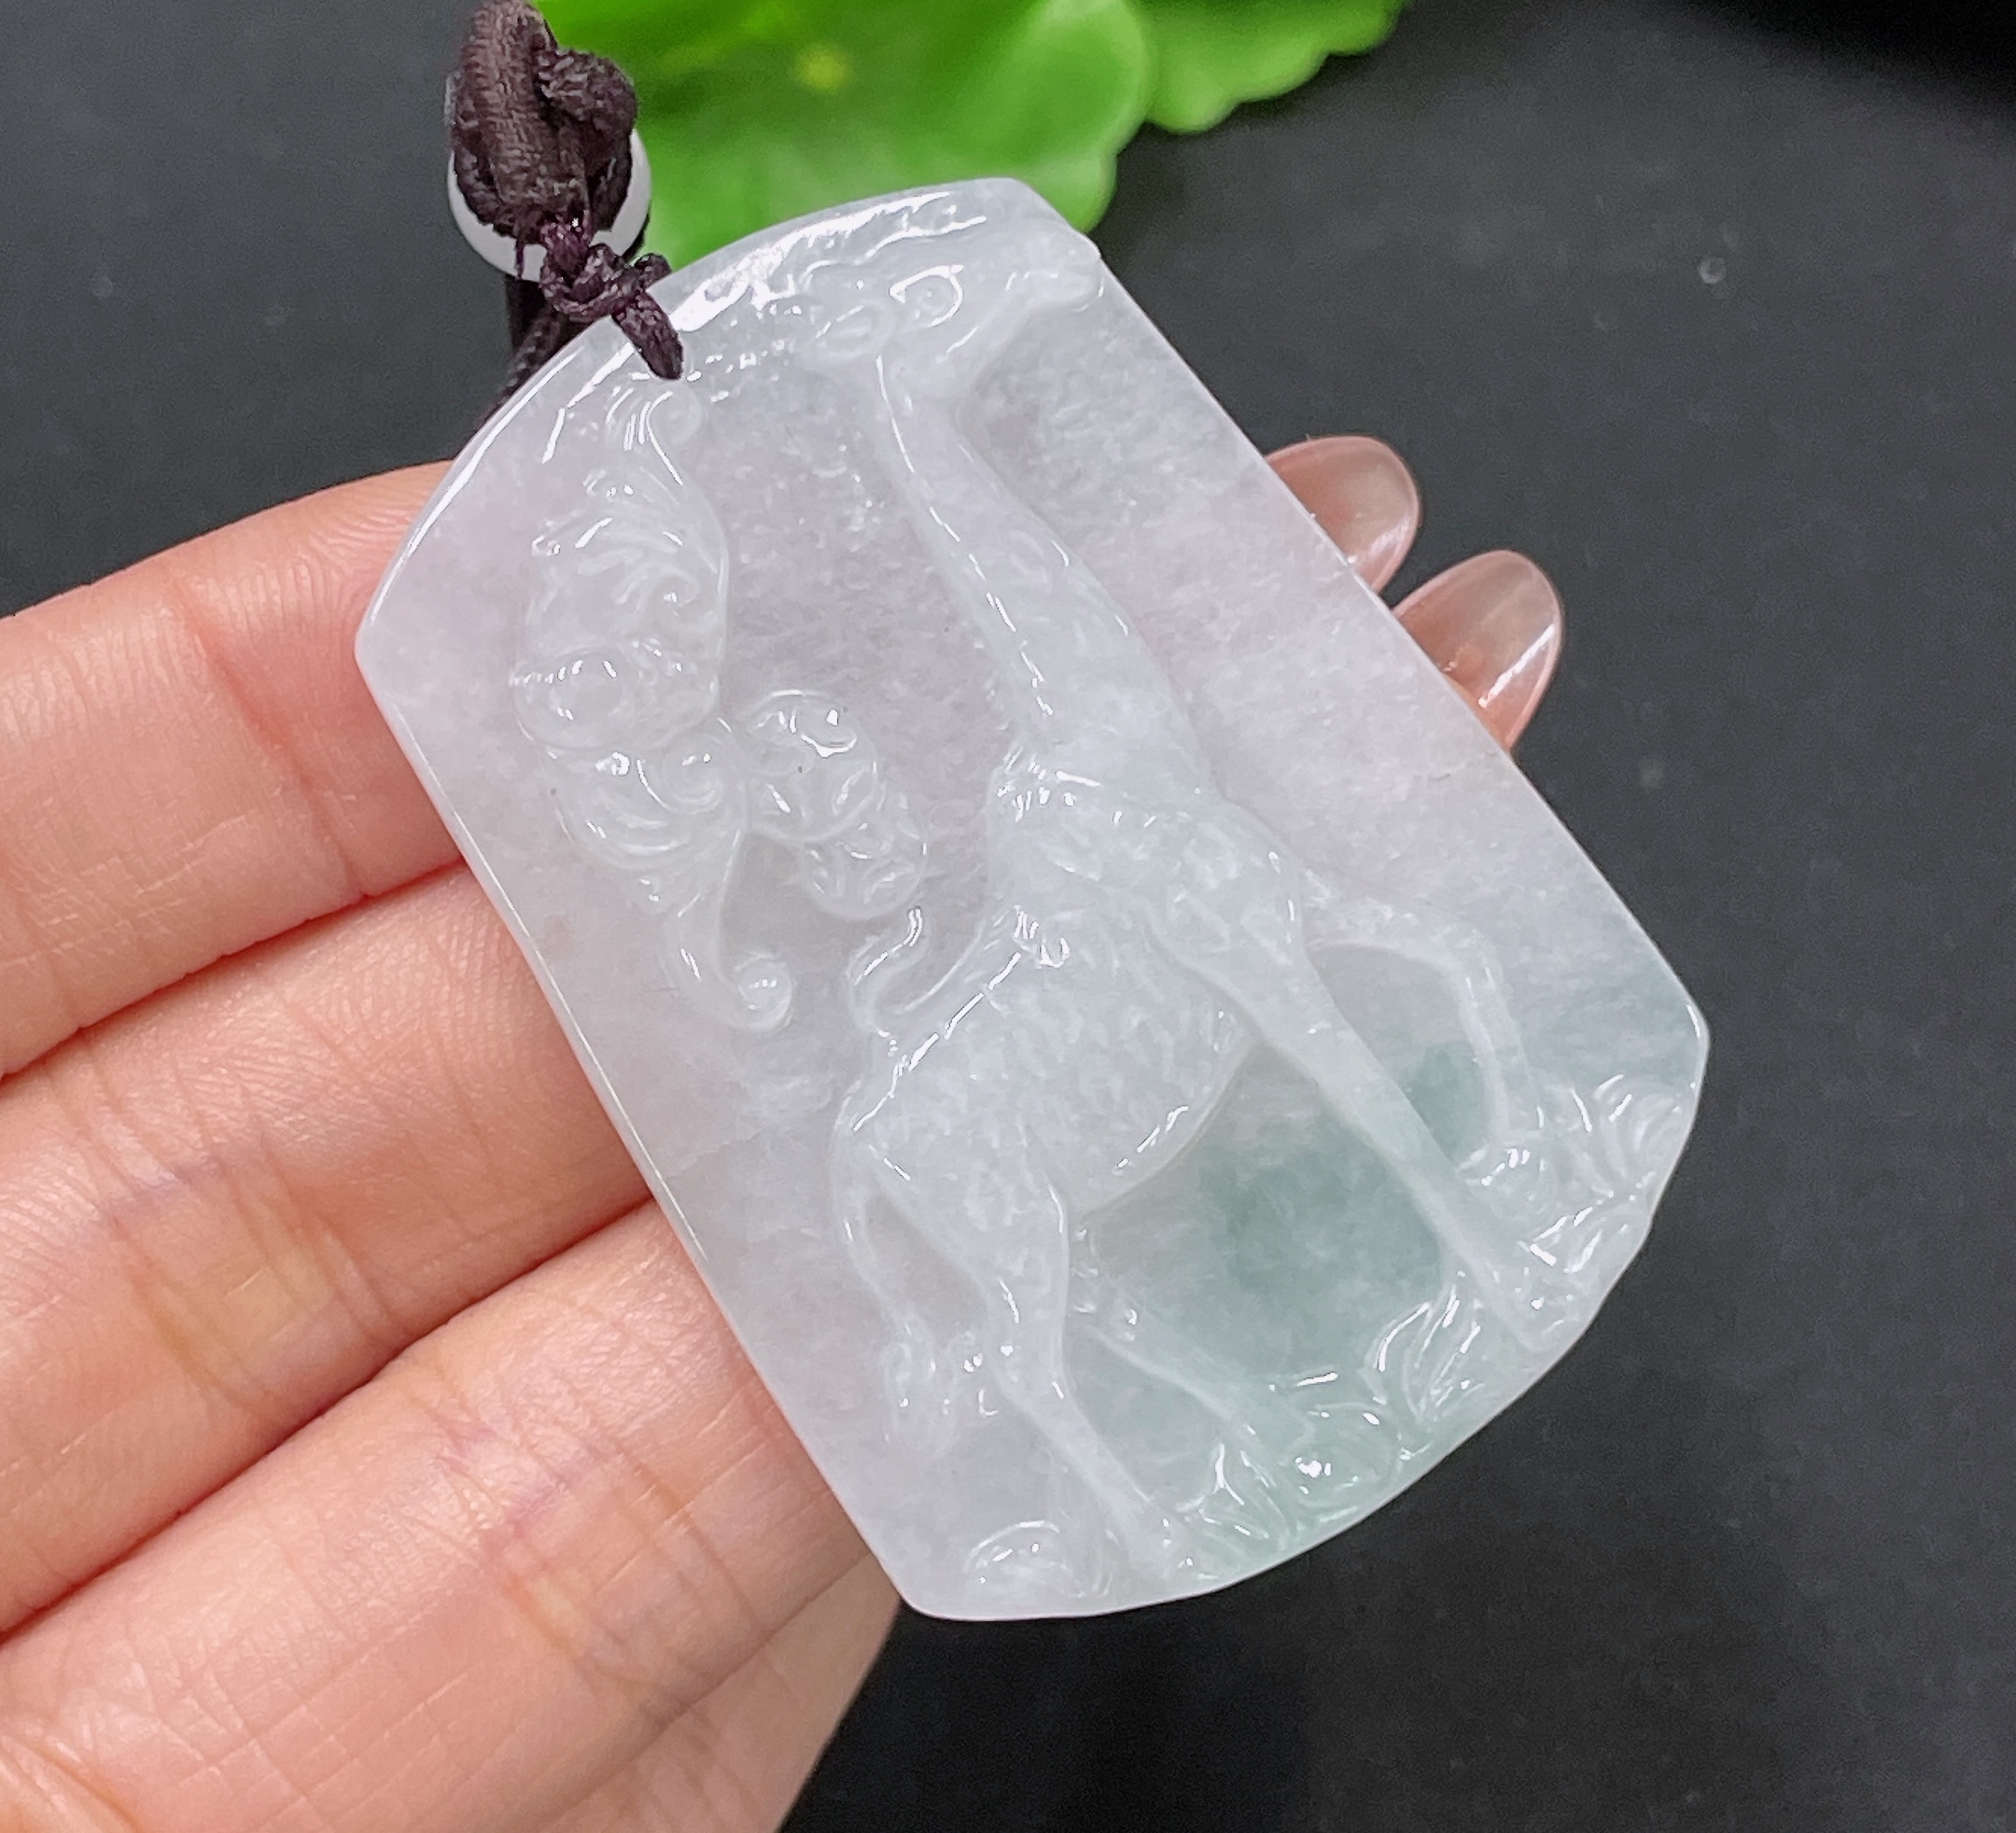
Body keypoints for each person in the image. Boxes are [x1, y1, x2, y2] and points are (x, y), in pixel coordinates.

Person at [0, 436, 1560, 1832]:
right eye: (808, 791)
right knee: (1032, 1315)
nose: (841, 794)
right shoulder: (887, 972)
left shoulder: (1026, 803)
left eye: (838, 769)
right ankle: (1193, 1422)